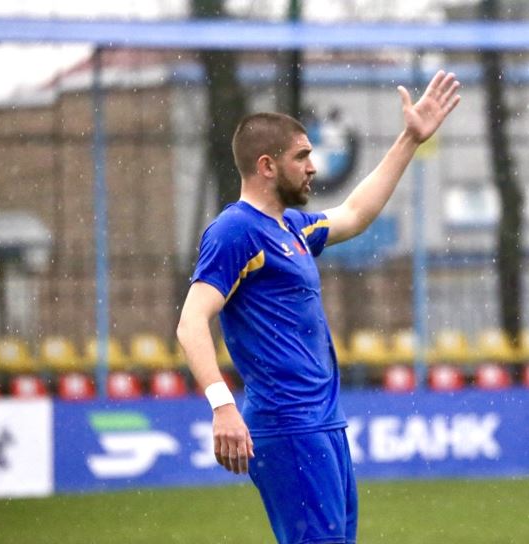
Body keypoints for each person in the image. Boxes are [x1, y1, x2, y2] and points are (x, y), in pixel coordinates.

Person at [176, 70, 460, 544]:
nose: (313, 166)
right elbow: (190, 323)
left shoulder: (292, 227)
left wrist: (410, 139)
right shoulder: (235, 231)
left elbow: (354, 213)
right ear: (267, 166)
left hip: (323, 422)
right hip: (288, 424)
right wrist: (223, 406)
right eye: (302, 156)